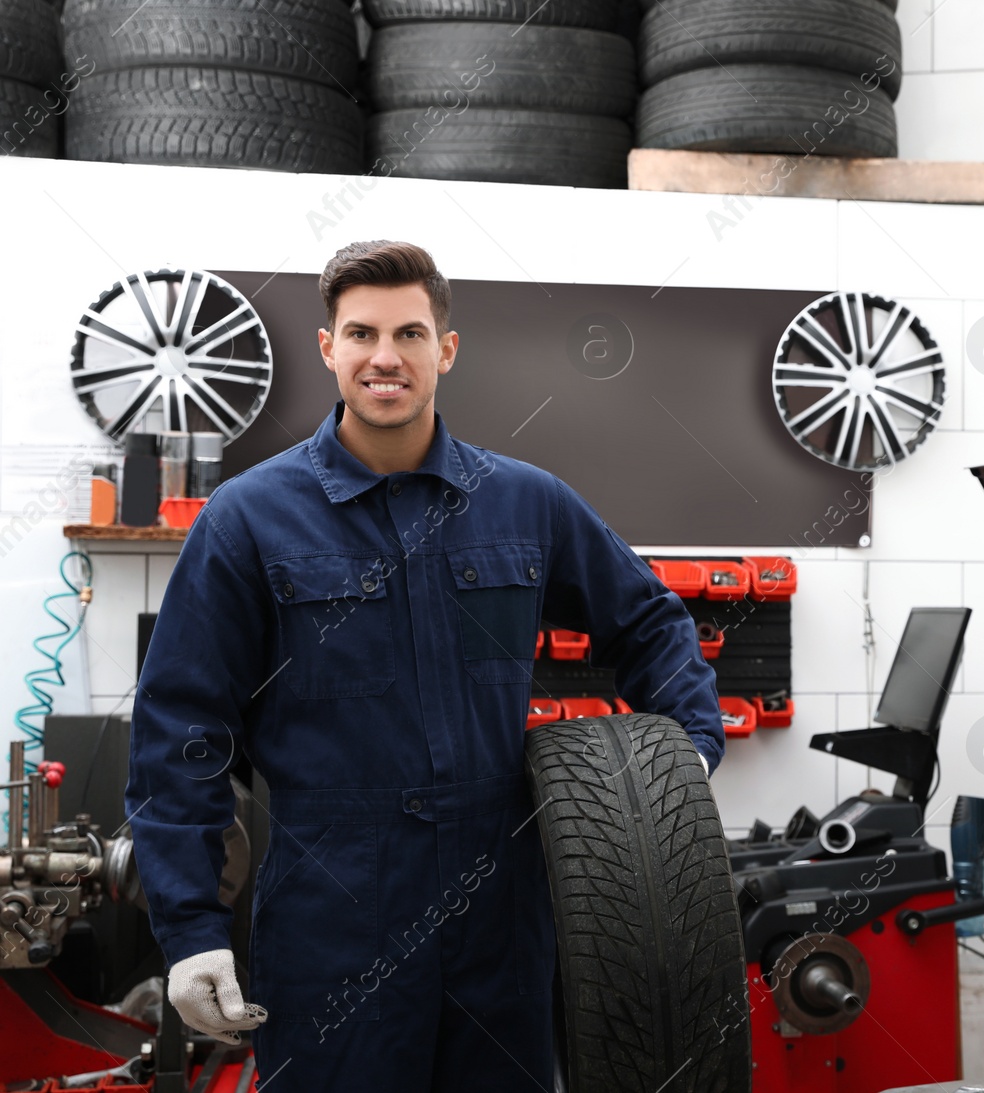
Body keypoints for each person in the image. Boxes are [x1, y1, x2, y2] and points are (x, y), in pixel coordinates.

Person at [125, 240, 724, 1090]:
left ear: (444, 349)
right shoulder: (248, 519)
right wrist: (190, 929)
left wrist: (686, 755)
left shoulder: (526, 500)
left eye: (409, 333)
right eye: (361, 333)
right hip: (334, 926)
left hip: (503, 924)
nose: (385, 357)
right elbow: (181, 731)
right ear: (329, 348)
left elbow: (651, 620)